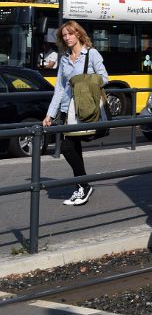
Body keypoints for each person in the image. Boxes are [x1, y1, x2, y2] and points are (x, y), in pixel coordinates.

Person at [42, 21, 109, 207]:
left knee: (66, 147)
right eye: (64, 35)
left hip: (85, 108)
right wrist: (50, 114)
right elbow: (60, 89)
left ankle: (83, 186)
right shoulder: (64, 58)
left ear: (79, 34)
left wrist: (83, 82)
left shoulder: (91, 53)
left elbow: (105, 77)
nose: (67, 38)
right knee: (74, 147)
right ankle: (82, 186)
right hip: (67, 110)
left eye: (70, 34)